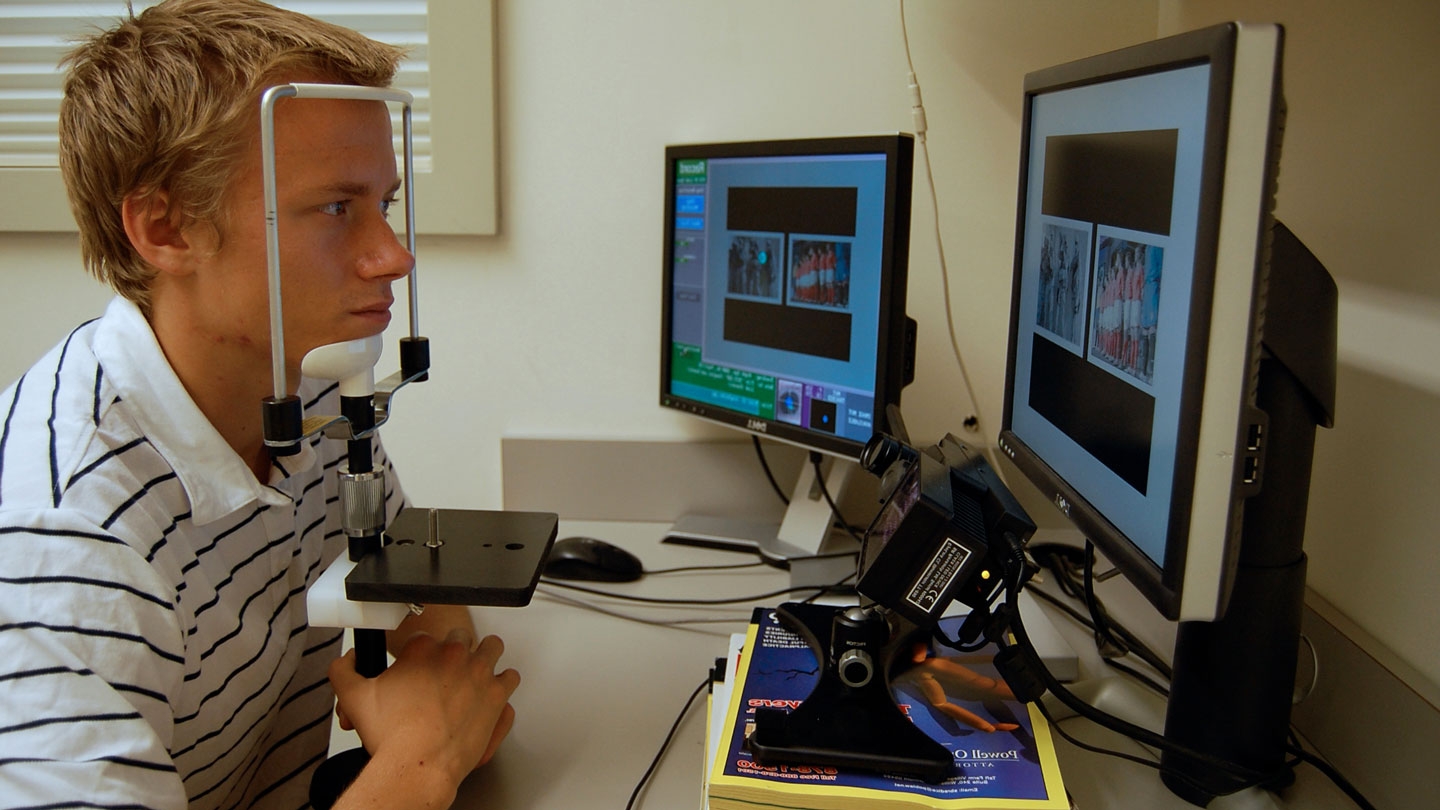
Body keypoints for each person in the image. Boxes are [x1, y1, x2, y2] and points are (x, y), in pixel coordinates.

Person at [0, 1, 517, 808]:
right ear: (166, 231)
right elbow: (422, 742)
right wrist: (420, 761)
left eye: (382, 204)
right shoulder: (66, 542)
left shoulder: (303, 381)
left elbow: (410, 574)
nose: (394, 256)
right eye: (336, 208)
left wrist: (437, 676)